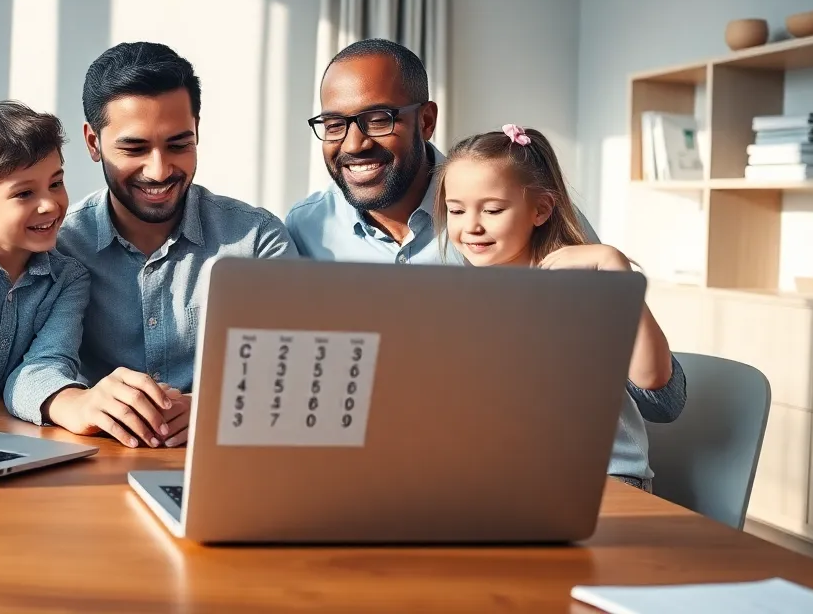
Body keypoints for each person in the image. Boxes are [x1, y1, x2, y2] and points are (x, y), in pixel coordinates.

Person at [56, 41, 299, 449]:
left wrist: (221, 407)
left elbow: (298, 369)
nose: (159, 170)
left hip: (224, 459)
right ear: (93, 143)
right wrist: (74, 402)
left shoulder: (258, 240)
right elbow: (26, 365)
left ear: (197, 131)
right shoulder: (60, 244)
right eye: (134, 148)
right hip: (97, 467)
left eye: (178, 144)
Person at [433, 124, 685, 491]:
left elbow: (654, 381)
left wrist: (616, 268)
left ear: (541, 209)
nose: (471, 226)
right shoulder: (459, 294)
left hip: (604, 476)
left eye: (492, 209)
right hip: (509, 476)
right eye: (456, 211)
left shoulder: (582, 284)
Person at [0, 102, 169, 437]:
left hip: (7, 434)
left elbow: (46, 363)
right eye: (24, 193)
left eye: (55, 183)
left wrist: (74, 404)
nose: (49, 204)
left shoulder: (68, 279)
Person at [285, 38, 600, 264]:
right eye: (334, 125)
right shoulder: (305, 227)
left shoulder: (520, 204)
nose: (354, 145)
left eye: (379, 120)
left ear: (426, 121)